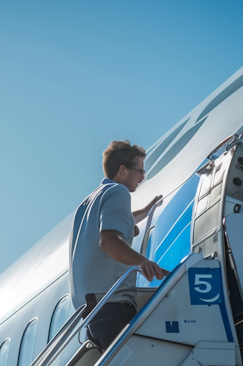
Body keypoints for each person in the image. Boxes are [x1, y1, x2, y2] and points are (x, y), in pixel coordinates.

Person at [69, 139, 169, 351]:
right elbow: (108, 241)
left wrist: (146, 210)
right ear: (123, 170)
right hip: (112, 304)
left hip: (92, 310)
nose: (143, 177)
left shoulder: (88, 203)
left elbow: (121, 220)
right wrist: (144, 262)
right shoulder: (118, 192)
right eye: (140, 171)